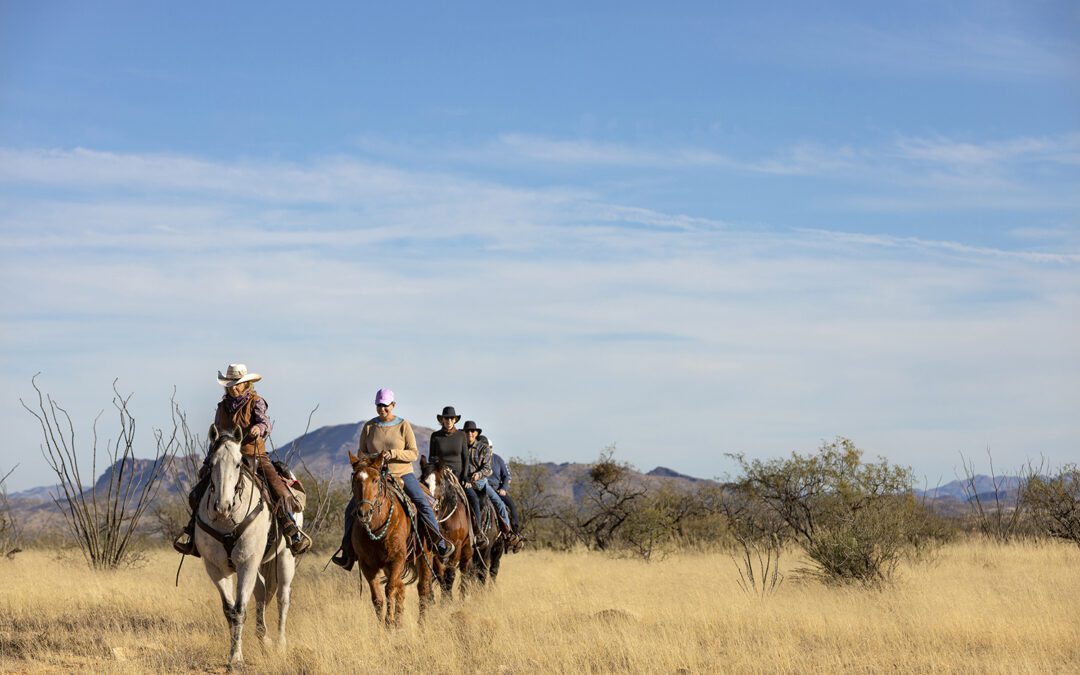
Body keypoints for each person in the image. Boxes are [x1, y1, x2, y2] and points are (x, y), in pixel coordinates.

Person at [173, 363, 311, 556]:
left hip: (254, 454)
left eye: (237, 384)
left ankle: (291, 530)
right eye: (230, 384)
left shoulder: (256, 402)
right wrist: (207, 462)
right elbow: (216, 437)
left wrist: (259, 429)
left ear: (246, 384)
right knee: (197, 494)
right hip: (225, 456)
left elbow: (265, 422)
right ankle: (193, 532)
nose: (233, 388)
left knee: (279, 490)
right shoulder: (222, 407)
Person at [331, 389, 454, 570]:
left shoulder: (403, 425)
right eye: (379, 405)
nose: (382, 409)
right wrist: (371, 461)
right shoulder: (369, 427)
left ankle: (439, 543)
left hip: (402, 473)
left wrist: (392, 454)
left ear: (393, 405)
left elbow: (413, 453)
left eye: (385, 405)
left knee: (422, 502)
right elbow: (361, 453)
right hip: (376, 476)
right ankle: (347, 551)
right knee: (351, 508)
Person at [463, 420, 522, 548]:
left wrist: (479, 475)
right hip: (464, 483)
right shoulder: (461, 447)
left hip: (482, 484)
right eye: (467, 431)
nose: (469, 434)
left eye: (472, 431)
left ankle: (509, 533)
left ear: (476, 433)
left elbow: (488, 469)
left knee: (501, 504)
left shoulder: (486, 451)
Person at [490, 451, 524, 551]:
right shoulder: (476, 457)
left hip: (497, 490)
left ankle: (514, 534)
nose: (487, 449)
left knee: (511, 507)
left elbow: (507, 476)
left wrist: (503, 488)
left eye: (489, 447)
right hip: (480, 490)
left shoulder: (498, 459)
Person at [427, 406, 469, 485]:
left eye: (451, 418)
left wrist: (465, 476)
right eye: (446, 418)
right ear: (442, 420)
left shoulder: (461, 435)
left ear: (455, 420)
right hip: (441, 474)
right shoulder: (435, 436)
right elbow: (431, 457)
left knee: (473, 497)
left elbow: (466, 457)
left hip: (458, 476)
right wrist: (441, 465)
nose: (449, 421)